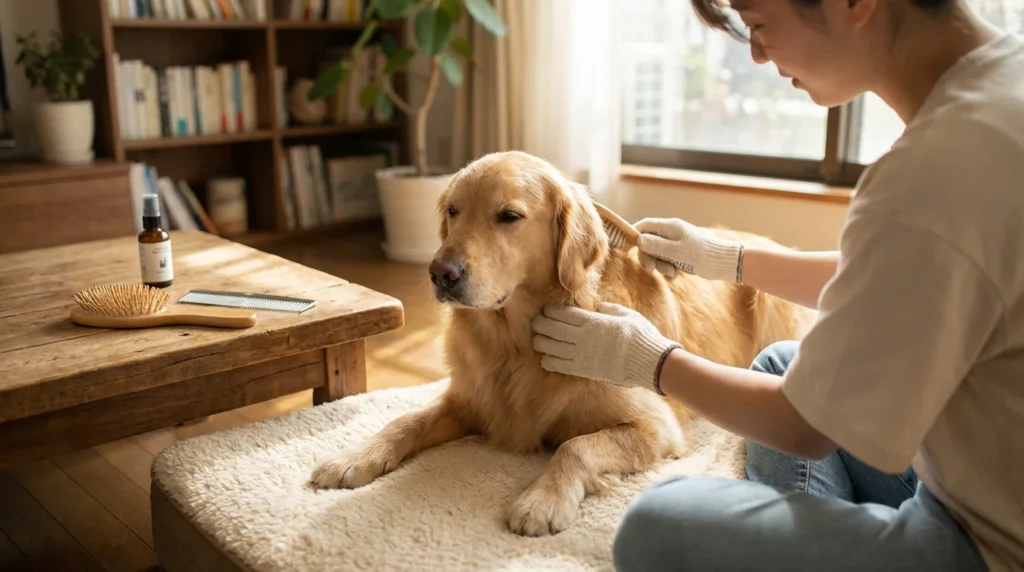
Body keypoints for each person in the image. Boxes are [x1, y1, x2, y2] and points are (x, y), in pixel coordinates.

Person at [529, 0, 1024, 569]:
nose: (758, 53)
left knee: (657, 524)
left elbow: (803, 427)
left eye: (758, 22)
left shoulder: (933, 170)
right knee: (780, 362)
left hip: (988, 545)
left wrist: (650, 360)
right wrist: (732, 260)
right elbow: (902, 275)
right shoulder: (1000, 88)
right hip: (978, 474)